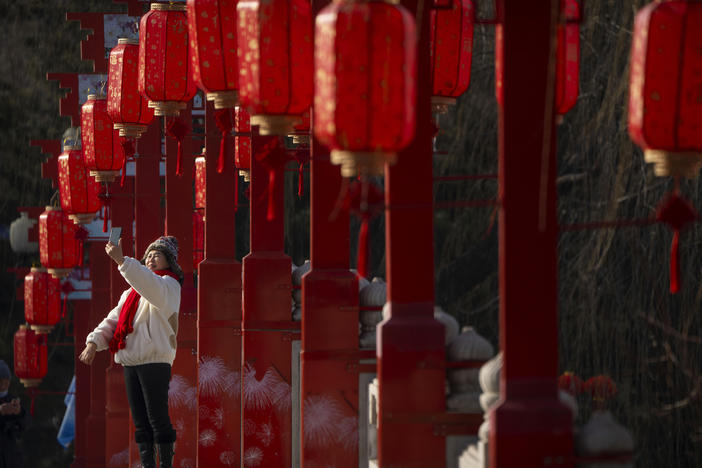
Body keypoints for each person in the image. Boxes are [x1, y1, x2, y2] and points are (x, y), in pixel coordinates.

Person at [79, 236, 183, 468]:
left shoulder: (169, 286)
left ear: (170, 261)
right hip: (131, 361)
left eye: (157, 255)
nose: (151, 259)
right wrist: (93, 342)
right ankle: (148, 464)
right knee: (140, 421)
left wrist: (122, 261)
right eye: (149, 255)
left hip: (155, 360)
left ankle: (165, 464)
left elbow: (149, 285)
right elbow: (113, 320)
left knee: (157, 417)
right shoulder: (131, 294)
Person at [0, 359, 28, 468]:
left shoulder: (11, 399)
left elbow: (26, 423)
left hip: (10, 457)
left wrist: (19, 412)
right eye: (0, 382)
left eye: (6, 383)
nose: (3, 386)